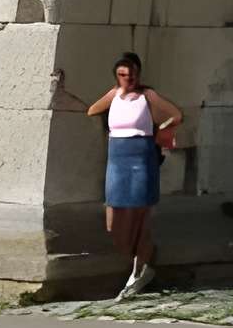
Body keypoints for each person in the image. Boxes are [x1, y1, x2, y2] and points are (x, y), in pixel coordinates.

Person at [53, 53, 182, 296]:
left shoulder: (147, 95)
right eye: (122, 74)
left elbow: (176, 114)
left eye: (131, 74)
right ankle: (142, 259)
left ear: (138, 74)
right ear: (116, 76)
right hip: (117, 159)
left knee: (139, 219)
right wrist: (65, 94)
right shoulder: (113, 94)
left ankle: (140, 269)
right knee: (114, 223)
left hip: (142, 157)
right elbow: (92, 110)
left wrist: (161, 130)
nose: (127, 79)